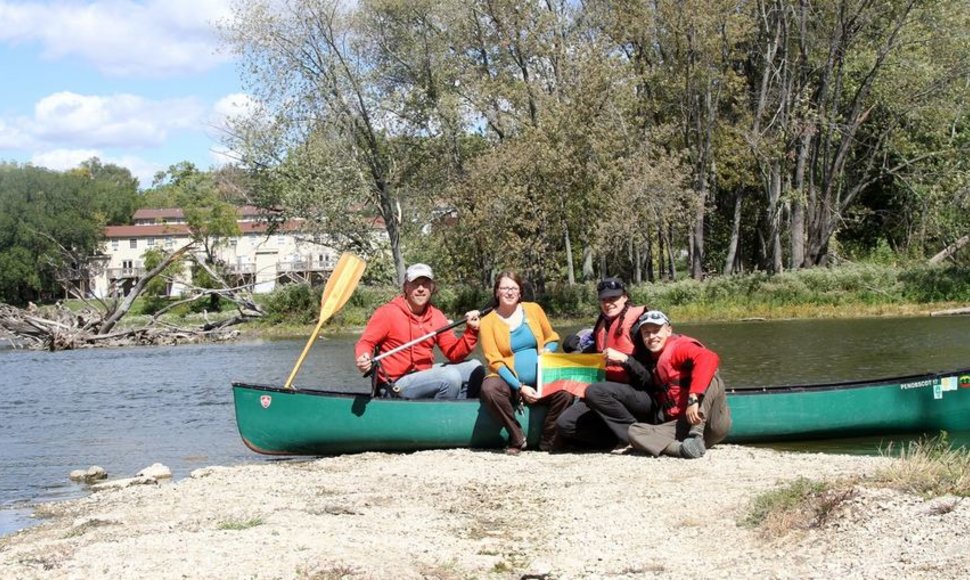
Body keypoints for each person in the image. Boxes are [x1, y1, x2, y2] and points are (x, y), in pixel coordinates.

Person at [354, 263, 484, 399]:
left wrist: (471, 331)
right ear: (406, 287)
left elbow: (454, 354)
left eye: (425, 283)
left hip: (424, 375)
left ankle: (458, 408)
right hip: (395, 382)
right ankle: (440, 415)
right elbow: (365, 343)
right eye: (415, 283)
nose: (421, 289)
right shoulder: (387, 313)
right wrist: (363, 357)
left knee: (476, 368)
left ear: (432, 287)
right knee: (450, 376)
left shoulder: (437, 315)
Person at [478, 272, 573, 455]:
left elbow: (552, 338)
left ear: (520, 292)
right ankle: (517, 436)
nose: (509, 292)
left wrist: (548, 350)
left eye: (514, 288)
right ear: (497, 292)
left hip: (541, 378)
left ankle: (548, 441)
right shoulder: (488, 321)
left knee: (566, 393)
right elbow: (494, 361)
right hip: (508, 381)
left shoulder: (534, 309)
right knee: (489, 389)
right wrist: (520, 387)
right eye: (505, 288)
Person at [555, 277, 648, 449]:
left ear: (625, 297)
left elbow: (648, 377)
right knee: (565, 424)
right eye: (604, 299)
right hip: (606, 394)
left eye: (614, 298)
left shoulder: (638, 326)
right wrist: (574, 345)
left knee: (595, 390)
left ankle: (637, 437)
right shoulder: (602, 323)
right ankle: (614, 439)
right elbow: (598, 352)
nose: (608, 303)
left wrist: (625, 360)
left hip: (641, 395)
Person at [624, 310, 732, 458]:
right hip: (680, 425)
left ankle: (696, 434)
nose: (651, 337)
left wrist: (693, 398)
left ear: (668, 330)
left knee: (711, 376)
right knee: (635, 431)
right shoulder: (651, 358)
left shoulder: (679, 347)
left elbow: (709, 358)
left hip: (709, 423)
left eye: (656, 331)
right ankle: (682, 449)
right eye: (646, 333)